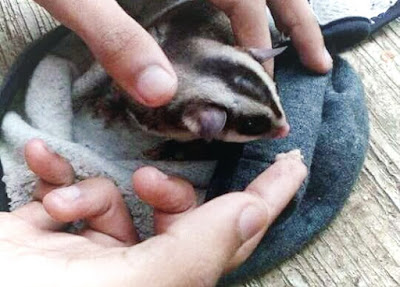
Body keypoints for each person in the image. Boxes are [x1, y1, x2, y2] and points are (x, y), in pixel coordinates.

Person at [0, 0, 325, 285]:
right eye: (256, 124)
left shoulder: (206, 102)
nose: (285, 130)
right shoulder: (187, 113)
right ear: (201, 122)